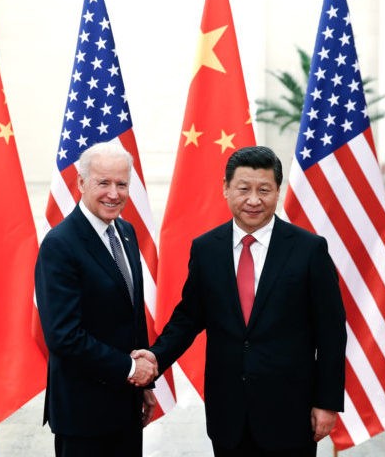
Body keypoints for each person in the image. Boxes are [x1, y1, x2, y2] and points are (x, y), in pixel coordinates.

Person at [133, 146, 346, 456]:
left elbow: (331, 333)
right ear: (226, 188)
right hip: (228, 412)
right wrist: (155, 358)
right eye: (243, 189)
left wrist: (326, 403)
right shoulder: (206, 249)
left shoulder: (309, 249)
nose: (254, 200)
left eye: (264, 190)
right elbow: (189, 318)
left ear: (278, 191)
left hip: (290, 412)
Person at [35, 142, 158, 457]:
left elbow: (132, 314)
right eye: (103, 182)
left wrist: (144, 385)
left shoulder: (126, 233)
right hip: (83, 415)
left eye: (122, 184)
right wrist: (131, 369)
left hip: (126, 407)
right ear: (80, 183)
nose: (114, 193)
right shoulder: (60, 244)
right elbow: (64, 336)